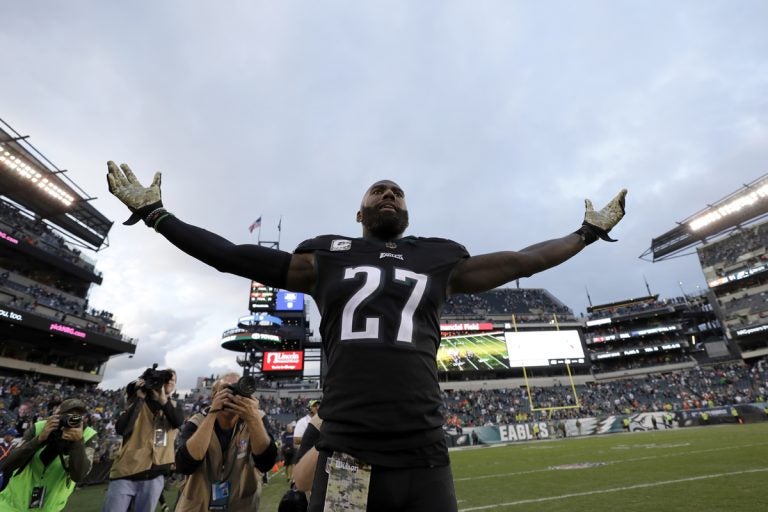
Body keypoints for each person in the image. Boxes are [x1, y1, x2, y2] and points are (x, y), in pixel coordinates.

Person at [107, 162, 627, 511]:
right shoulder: (326, 255)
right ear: (360, 214)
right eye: (378, 191)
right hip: (349, 449)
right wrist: (157, 216)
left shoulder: (438, 257)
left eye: (397, 192)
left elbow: (524, 261)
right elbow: (232, 256)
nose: (388, 194)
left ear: (406, 213)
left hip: (424, 448)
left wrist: (586, 234)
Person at [173, 372, 277, 511]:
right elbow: (184, 465)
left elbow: (266, 463)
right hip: (198, 505)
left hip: (241, 505)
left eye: (237, 390)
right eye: (226, 390)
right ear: (213, 396)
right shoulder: (196, 422)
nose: (233, 396)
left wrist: (253, 419)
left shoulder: (256, 419)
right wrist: (212, 413)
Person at [102, 367, 183, 512]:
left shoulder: (175, 406)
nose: (170, 382)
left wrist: (163, 400)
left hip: (155, 473)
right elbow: (122, 428)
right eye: (167, 378)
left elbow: (177, 421)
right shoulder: (137, 401)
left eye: (174, 380)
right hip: (126, 471)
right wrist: (140, 398)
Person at [0, 398, 97, 511]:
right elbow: (7, 465)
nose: (72, 420)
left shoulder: (87, 435)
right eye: (68, 415)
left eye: (77, 416)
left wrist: (77, 443)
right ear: (57, 415)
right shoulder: (40, 427)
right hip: (12, 504)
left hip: (50, 507)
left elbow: (79, 476)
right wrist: (39, 439)